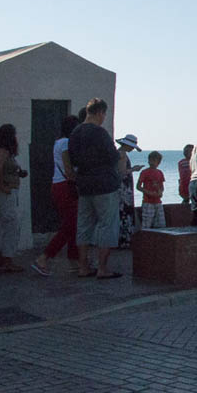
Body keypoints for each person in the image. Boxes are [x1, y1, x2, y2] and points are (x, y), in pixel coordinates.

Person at [67, 98, 123, 279]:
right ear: (100, 112)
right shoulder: (100, 133)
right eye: (104, 114)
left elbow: (72, 159)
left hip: (84, 184)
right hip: (105, 185)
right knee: (107, 226)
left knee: (83, 226)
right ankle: (102, 268)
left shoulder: (75, 133)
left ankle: (83, 267)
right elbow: (113, 157)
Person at [33, 115, 80, 277]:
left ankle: (74, 261)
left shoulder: (57, 142)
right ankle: (44, 257)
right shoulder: (66, 143)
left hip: (58, 186)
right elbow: (68, 170)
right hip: (66, 187)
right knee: (70, 226)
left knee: (73, 225)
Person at [0, 123, 27, 273]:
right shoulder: (3, 151)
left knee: (7, 225)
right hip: (6, 193)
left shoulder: (0, 151)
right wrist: (2, 186)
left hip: (4, 191)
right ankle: (8, 260)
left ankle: (1, 256)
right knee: (12, 225)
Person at [115, 134, 143, 249]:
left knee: (122, 213)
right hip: (123, 188)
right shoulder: (122, 154)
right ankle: (124, 240)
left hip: (121, 187)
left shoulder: (119, 153)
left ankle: (121, 239)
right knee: (125, 213)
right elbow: (122, 172)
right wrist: (134, 169)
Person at [137, 151, 166, 229]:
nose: (152, 162)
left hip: (158, 201)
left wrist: (160, 192)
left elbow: (162, 187)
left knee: (160, 224)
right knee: (146, 224)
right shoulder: (144, 172)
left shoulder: (160, 173)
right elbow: (138, 186)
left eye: (154, 161)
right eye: (151, 160)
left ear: (159, 162)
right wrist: (149, 192)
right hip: (147, 201)